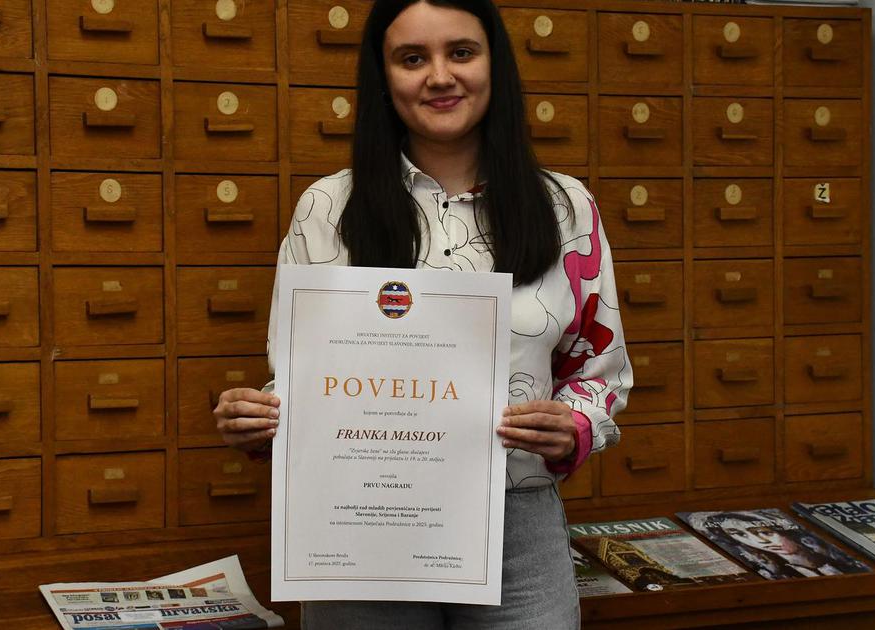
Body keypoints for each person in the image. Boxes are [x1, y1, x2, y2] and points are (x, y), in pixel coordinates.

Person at [213, 1, 631, 627]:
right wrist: (262, 415)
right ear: (383, 78)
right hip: (359, 527)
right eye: (412, 58)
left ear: (494, 64)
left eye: (461, 52)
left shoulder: (565, 208)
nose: (439, 76)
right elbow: (305, 375)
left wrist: (573, 426)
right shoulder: (328, 208)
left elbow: (599, 370)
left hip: (515, 528)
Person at [692, 511, 867, 579]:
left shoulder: (839, 559)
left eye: (765, 532)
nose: (760, 541)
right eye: (741, 535)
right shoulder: (772, 571)